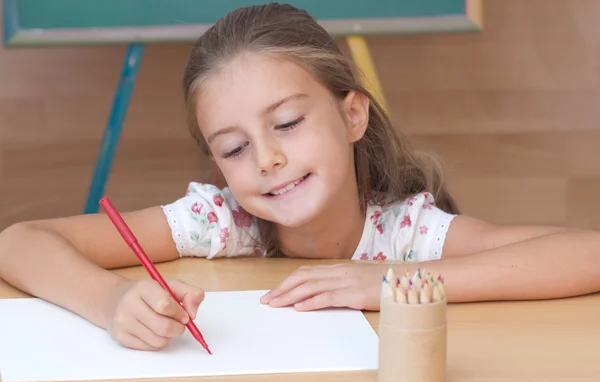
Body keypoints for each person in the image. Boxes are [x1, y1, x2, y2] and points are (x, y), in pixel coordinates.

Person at [0, 3, 599, 352]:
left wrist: (387, 281)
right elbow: (18, 242)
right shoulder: (223, 221)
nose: (265, 161)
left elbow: (589, 253)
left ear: (352, 114)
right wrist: (109, 301)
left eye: (286, 123)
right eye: (234, 149)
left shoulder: (403, 232)